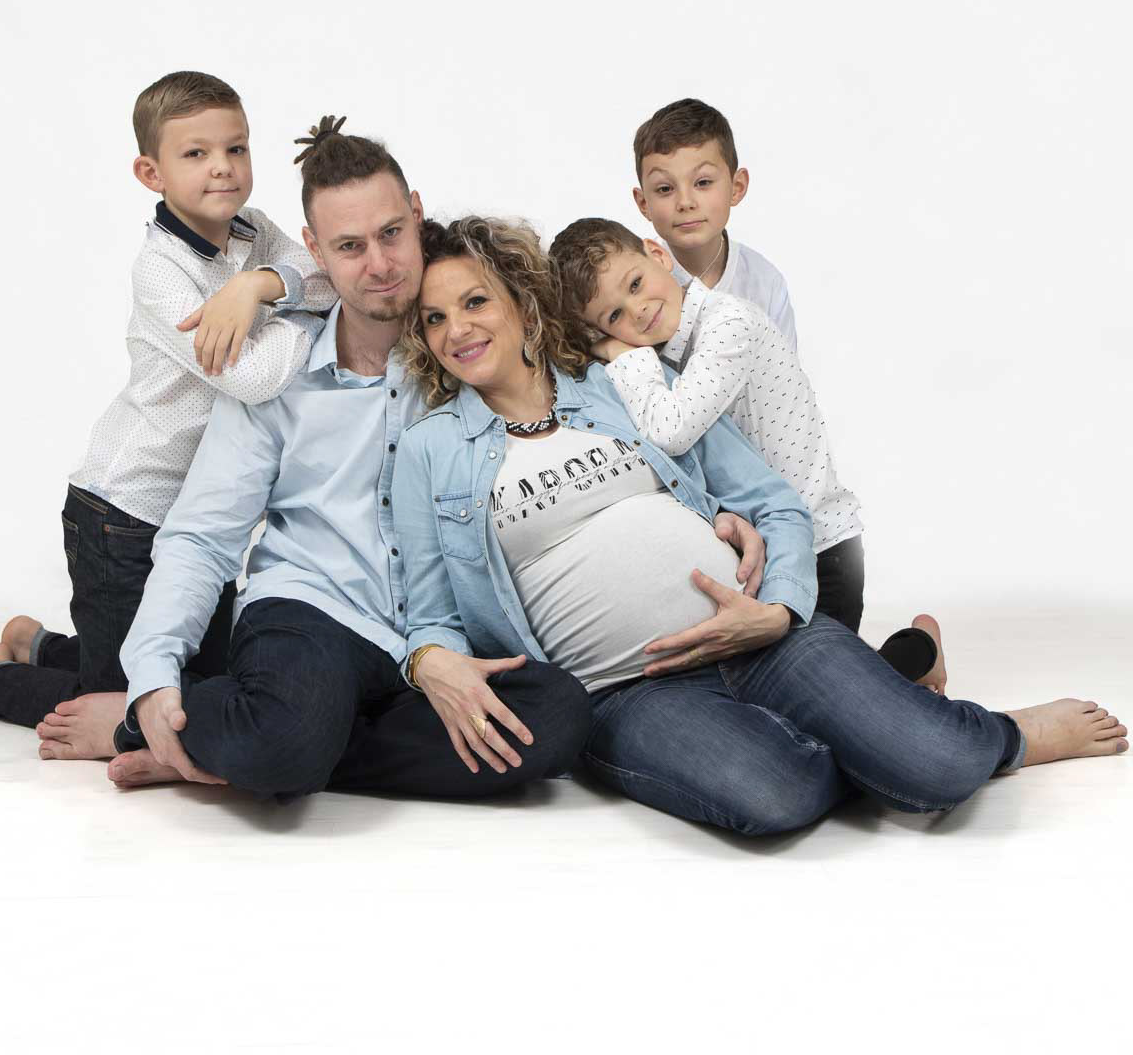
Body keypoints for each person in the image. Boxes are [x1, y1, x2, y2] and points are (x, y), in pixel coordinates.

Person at [391, 215, 1127, 837]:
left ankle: (1004, 735)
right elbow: (430, 614)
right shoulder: (429, 449)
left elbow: (773, 503)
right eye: (434, 318)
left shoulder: (620, 382)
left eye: (475, 301)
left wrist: (776, 610)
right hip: (626, 691)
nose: (458, 329)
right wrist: (427, 661)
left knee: (945, 767)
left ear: (522, 303)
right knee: (779, 797)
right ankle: (890, 707)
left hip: (760, 637)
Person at [101, 117, 589, 798]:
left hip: (435, 636)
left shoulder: (468, 348)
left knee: (560, 716)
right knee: (286, 742)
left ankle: (259, 740)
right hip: (311, 612)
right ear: (313, 251)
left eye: (392, 233)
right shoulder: (278, 370)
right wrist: (153, 677)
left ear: (417, 214)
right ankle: (215, 730)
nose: (380, 266)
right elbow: (204, 538)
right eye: (350, 247)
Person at [0, 71, 336, 748]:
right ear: (151, 173)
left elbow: (325, 273)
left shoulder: (254, 231)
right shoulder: (161, 270)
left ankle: (40, 644)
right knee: (126, 705)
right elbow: (255, 376)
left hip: (196, 521)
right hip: (124, 514)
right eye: (196, 153)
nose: (222, 167)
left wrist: (257, 288)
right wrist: (304, 315)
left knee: (200, 679)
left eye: (236, 149)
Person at [549, 216, 942, 689]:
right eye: (614, 316)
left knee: (831, 694)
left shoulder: (729, 324)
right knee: (782, 693)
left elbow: (670, 432)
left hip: (820, 548)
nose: (637, 310)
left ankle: (920, 647)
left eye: (635, 284)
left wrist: (623, 354)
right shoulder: (664, 353)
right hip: (759, 550)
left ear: (657, 255)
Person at [632, 97, 796, 348]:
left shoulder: (765, 283)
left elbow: (786, 369)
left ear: (736, 187)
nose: (685, 202)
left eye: (703, 183)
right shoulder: (632, 282)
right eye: (665, 189)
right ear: (644, 203)